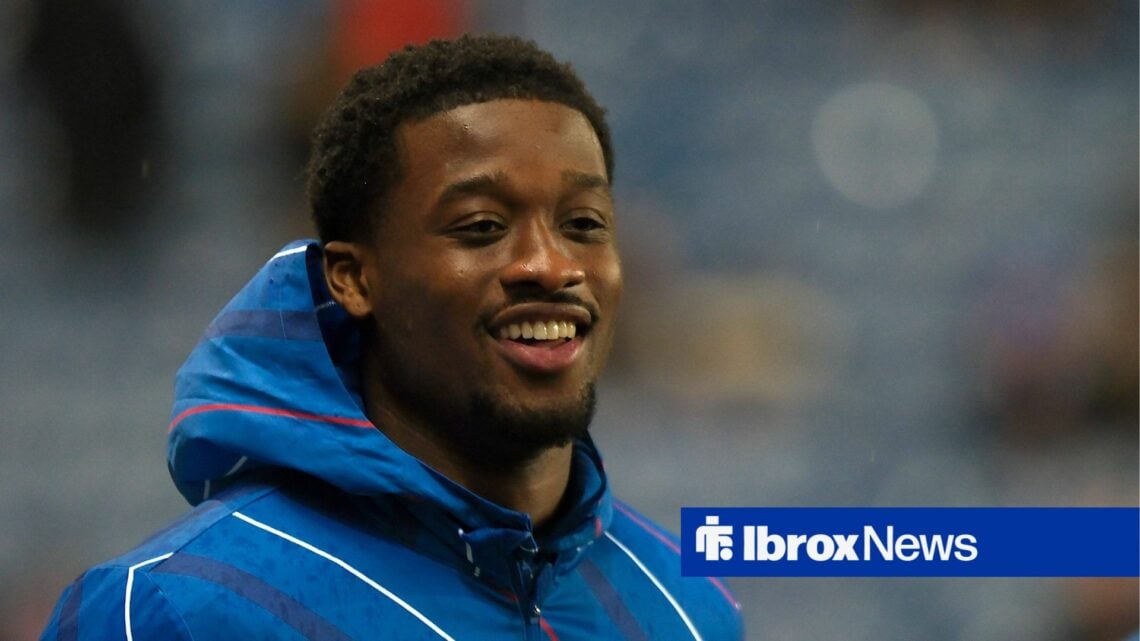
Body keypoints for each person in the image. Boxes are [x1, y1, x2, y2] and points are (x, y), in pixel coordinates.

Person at [38, 34, 743, 640]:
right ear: (354, 277)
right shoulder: (179, 610)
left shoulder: (687, 610)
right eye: (481, 227)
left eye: (584, 224)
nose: (550, 265)